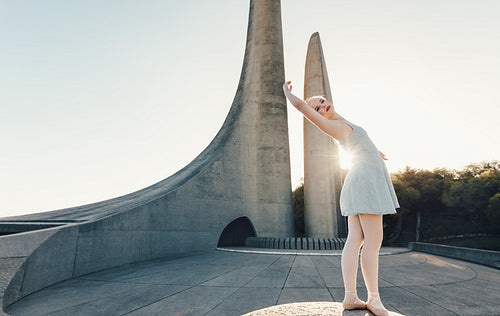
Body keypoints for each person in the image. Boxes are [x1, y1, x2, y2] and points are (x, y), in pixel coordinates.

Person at [283, 81, 399, 316]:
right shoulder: (332, 127)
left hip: (360, 180)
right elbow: (302, 109)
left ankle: (350, 297)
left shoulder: (342, 123)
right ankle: (374, 299)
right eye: (317, 108)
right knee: (373, 240)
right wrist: (287, 93)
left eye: (322, 101)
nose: (323, 107)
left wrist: (374, 151)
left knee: (355, 239)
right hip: (366, 182)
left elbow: (356, 143)